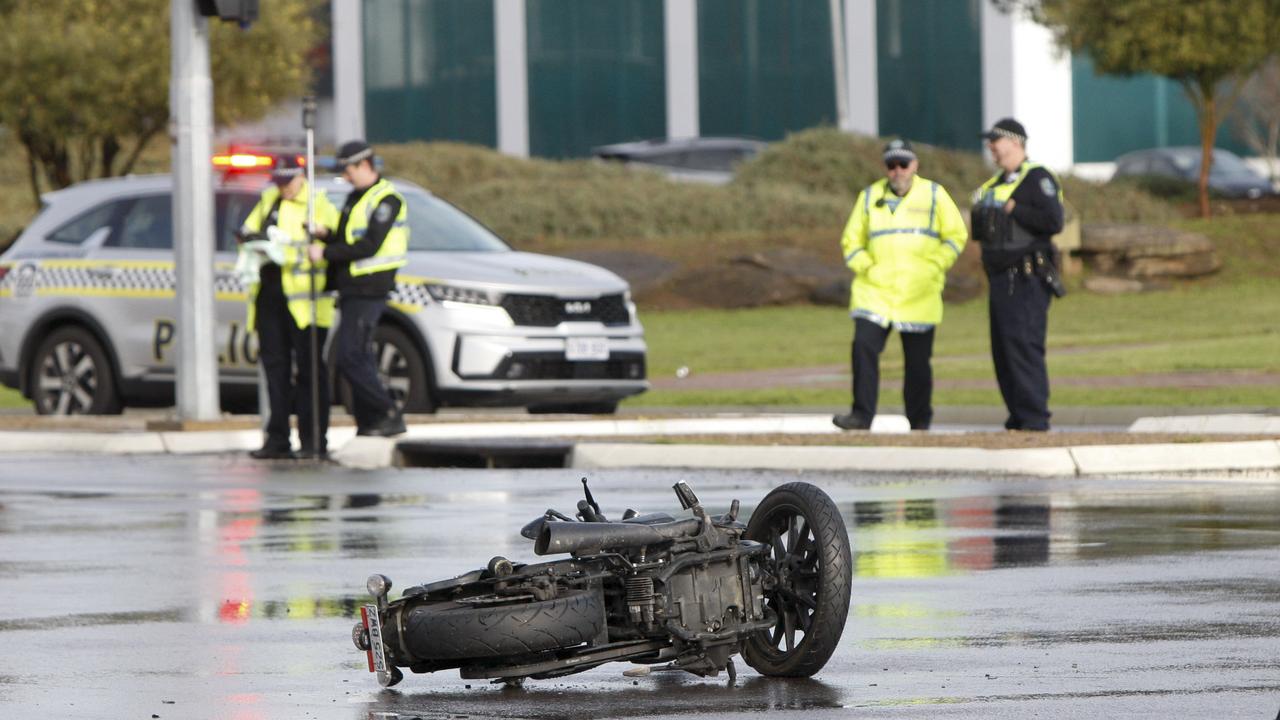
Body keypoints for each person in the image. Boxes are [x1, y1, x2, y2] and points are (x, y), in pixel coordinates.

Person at [833, 139, 968, 432]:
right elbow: (851, 241)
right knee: (863, 349)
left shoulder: (934, 194)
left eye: (903, 164)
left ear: (915, 165)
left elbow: (956, 236)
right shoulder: (869, 196)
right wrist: (867, 266)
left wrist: (934, 265)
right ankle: (861, 416)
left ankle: (920, 422)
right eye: (891, 165)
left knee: (918, 364)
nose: (897, 171)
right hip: (875, 292)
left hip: (919, 293)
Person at [237, 155, 340, 459]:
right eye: (279, 182)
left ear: (301, 177)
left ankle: (313, 440)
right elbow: (246, 231)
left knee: (310, 372)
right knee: (275, 369)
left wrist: (319, 232)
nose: (284, 189)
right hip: (270, 297)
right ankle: (277, 438)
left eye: (289, 182)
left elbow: (332, 233)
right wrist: (252, 239)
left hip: (305, 302)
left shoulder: (316, 202)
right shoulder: (268, 200)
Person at [308, 140, 408, 437]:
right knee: (358, 356)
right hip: (352, 290)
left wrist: (325, 253)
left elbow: (369, 245)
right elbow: (345, 237)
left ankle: (388, 413)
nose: (346, 177)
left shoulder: (387, 200)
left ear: (364, 165)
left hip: (370, 288)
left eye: (348, 170)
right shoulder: (355, 197)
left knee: (350, 356)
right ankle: (370, 422)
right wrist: (326, 235)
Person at [971, 118, 1065, 432]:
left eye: (996, 140)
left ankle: (1035, 417)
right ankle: (1018, 415)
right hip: (1000, 278)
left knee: (1024, 345)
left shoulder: (1036, 178)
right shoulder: (993, 185)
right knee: (1003, 349)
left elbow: (1053, 221)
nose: (991, 147)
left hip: (1027, 278)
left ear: (1015, 142)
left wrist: (1014, 208)